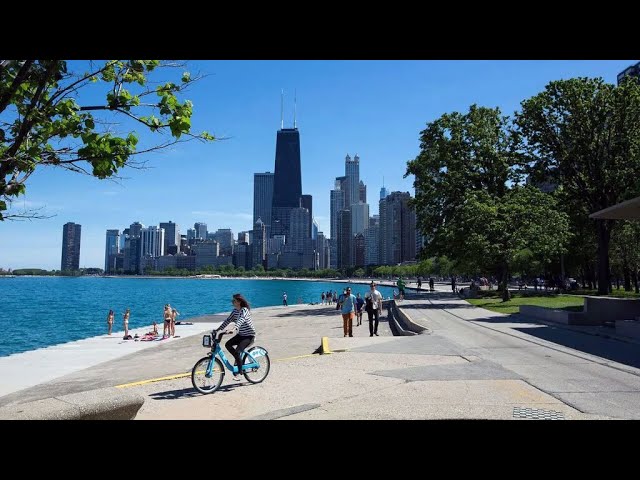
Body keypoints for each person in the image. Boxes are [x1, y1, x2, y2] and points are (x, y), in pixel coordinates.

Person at [214, 293, 256, 381]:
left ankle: (240, 371)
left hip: (249, 336)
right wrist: (218, 330)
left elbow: (241, 320)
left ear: (239, 302)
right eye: (232, 301)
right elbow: (228, 320)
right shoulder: (235, 311)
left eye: (234, 301)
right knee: (228, 344)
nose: (232, 302)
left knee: (237, 352)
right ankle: (238, 359)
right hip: (241, 335)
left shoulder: (244, 310)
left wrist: (234, 328)